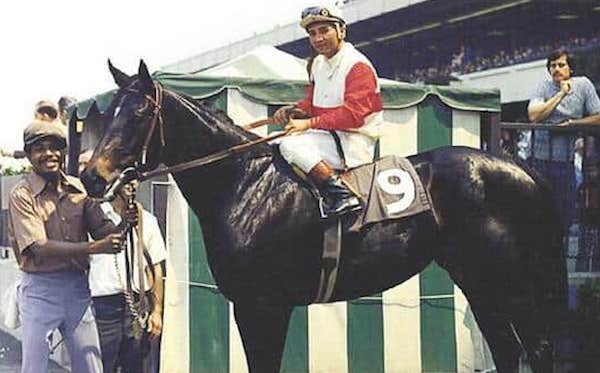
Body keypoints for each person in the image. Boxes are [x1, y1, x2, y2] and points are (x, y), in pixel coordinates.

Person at [8, 119, 135, 373]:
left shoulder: (77, 187)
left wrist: (124, 223)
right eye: (39, 148)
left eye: (54, 147)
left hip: (77, 287)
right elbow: (38, 246)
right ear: (29, 155)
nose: (49, 154)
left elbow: (102, 230)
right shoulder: (21, 194)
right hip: (40, 290)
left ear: (63, 152)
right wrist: (94, 248)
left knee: (91, 366)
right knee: (34, 367)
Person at [273, 4, 383, 217]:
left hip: (353, 141)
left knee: (290, 144)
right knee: (275, 142)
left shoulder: (358, 66)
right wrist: (294, 110)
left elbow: (353, 116)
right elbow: (313, 104)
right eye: (312, 33)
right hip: (329, 134)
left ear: (341, 30)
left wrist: (308, 123)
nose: (318, 38)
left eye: (325, 30)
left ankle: (342, 194)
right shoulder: (317, 64)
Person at [81, 147, 166, 373]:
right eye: (126, 179)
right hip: (103, 306)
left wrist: (157, 311)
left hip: (138, 306)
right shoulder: (94, 217)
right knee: (101, 367)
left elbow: (156, 268)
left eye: (136, 180)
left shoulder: (147, 220)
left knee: (137, 367)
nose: (132, 185)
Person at [527, 50, 600, 227]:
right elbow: (533, 116)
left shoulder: (583, 85)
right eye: (552, 66)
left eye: (561, 65)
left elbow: (598, 117)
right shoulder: (543, 87)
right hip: (537, 160)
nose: (556, 69)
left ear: (571, 69)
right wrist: (560, 94)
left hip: (565, 163)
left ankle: (561, 252)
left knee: (564, 215)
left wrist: (573, 124)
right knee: (536, 213)